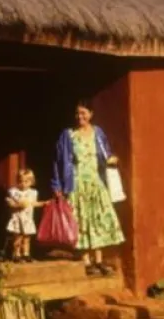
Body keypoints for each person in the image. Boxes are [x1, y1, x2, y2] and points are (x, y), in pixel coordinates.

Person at [51, 101, 124, 276]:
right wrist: (57, 185)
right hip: (76, 184)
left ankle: (99, 260)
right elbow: (58, 161)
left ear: (91, 114)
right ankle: (86, 261)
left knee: (98, 220)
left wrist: (113, 160)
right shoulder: (68, 135)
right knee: (81, 222)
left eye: (83, 113)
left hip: (96, 183)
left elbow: (106, 153)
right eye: (77, 114)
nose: (80, 117)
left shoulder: (98, 133)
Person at [5, 168, 39, 263]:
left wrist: (44, 203)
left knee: (27, 238)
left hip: (27, 219)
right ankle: (16, 254)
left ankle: (26, 254)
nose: (23, 183)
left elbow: (33, 203)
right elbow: (11, 202)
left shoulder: (33, 193)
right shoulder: (14, 192)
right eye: (21, 181)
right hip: (18, 218)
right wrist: (14, 204)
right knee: (18, 237)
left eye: (26, 181)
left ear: (31, 182)